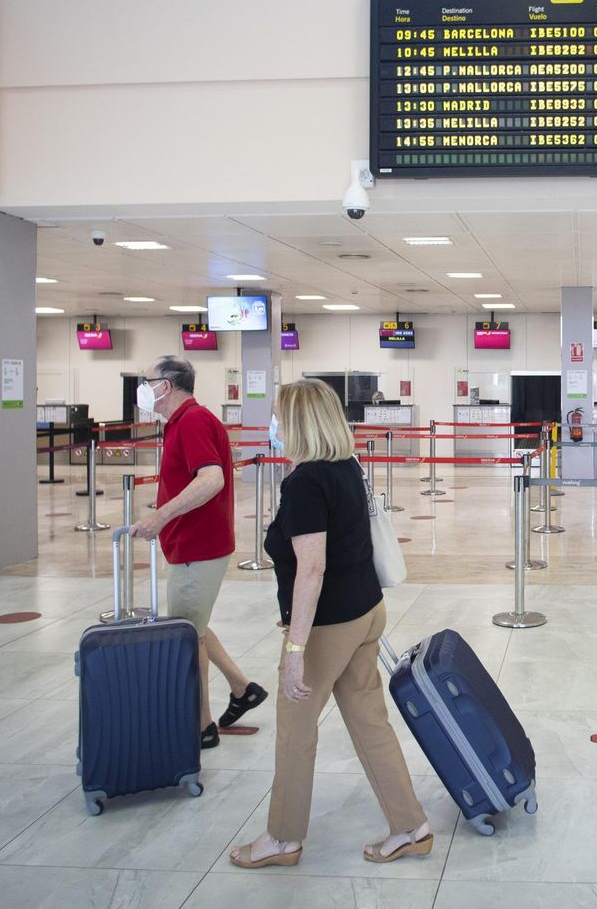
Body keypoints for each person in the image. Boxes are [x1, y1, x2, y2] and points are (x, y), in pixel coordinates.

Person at [229, 378, 430, 869]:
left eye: (278, 417)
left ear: (296, 422)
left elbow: (311, 568)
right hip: (366, 611)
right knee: (369, 722)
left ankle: (282, 838)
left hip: (329, 626)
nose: (273, 425)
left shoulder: (305, 483)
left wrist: (296, 652)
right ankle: (411, 827)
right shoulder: (346, 467)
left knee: (296, 731)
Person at [128, 356, 267, 748]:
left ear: (166, 386)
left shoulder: (191, 422)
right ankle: (243, 689)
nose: (143, 386)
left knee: (186, 636)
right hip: (193, 544)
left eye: (147, 380)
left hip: (197, 547)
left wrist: (160, 516)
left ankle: (201, 726)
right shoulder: (183, 422)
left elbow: (212, 479)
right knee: (195, 627)